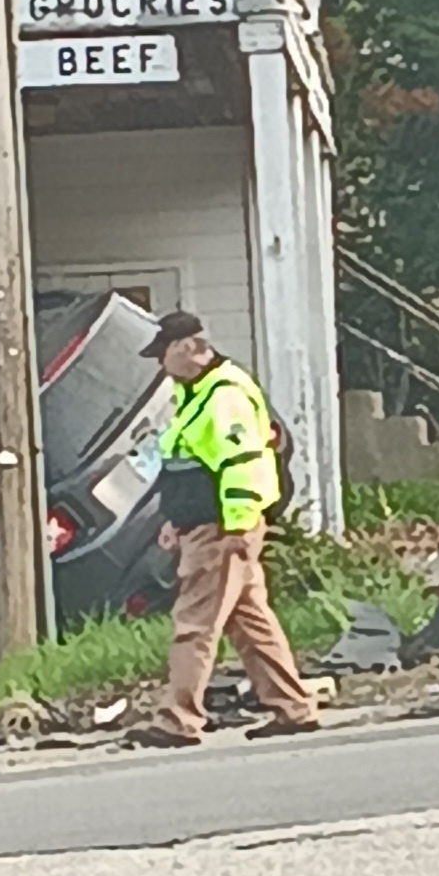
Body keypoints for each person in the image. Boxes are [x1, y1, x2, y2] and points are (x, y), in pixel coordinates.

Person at [128, 312, 321, 746]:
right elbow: (188, 469)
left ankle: (179, 719)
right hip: (209, 524)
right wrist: (173, 522)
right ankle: (293, 708)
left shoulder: (223, 396)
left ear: (185, 348)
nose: (161, 365)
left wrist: (236, 525)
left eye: (163, 354)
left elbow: (242, 466)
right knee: (250, 620)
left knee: (195, 623)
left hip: (219, 528)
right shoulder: (199, 394)